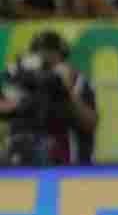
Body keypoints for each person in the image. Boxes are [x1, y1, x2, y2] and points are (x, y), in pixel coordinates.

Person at [0, 30, 97, 165]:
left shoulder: (78, 81)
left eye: (50, 54)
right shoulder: (25, 80)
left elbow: (90, 124)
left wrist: (68, 91)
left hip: (70, 163)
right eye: (40, 54)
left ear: (61, 57)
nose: (45, 58)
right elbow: (6, 110)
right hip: (25, 158)